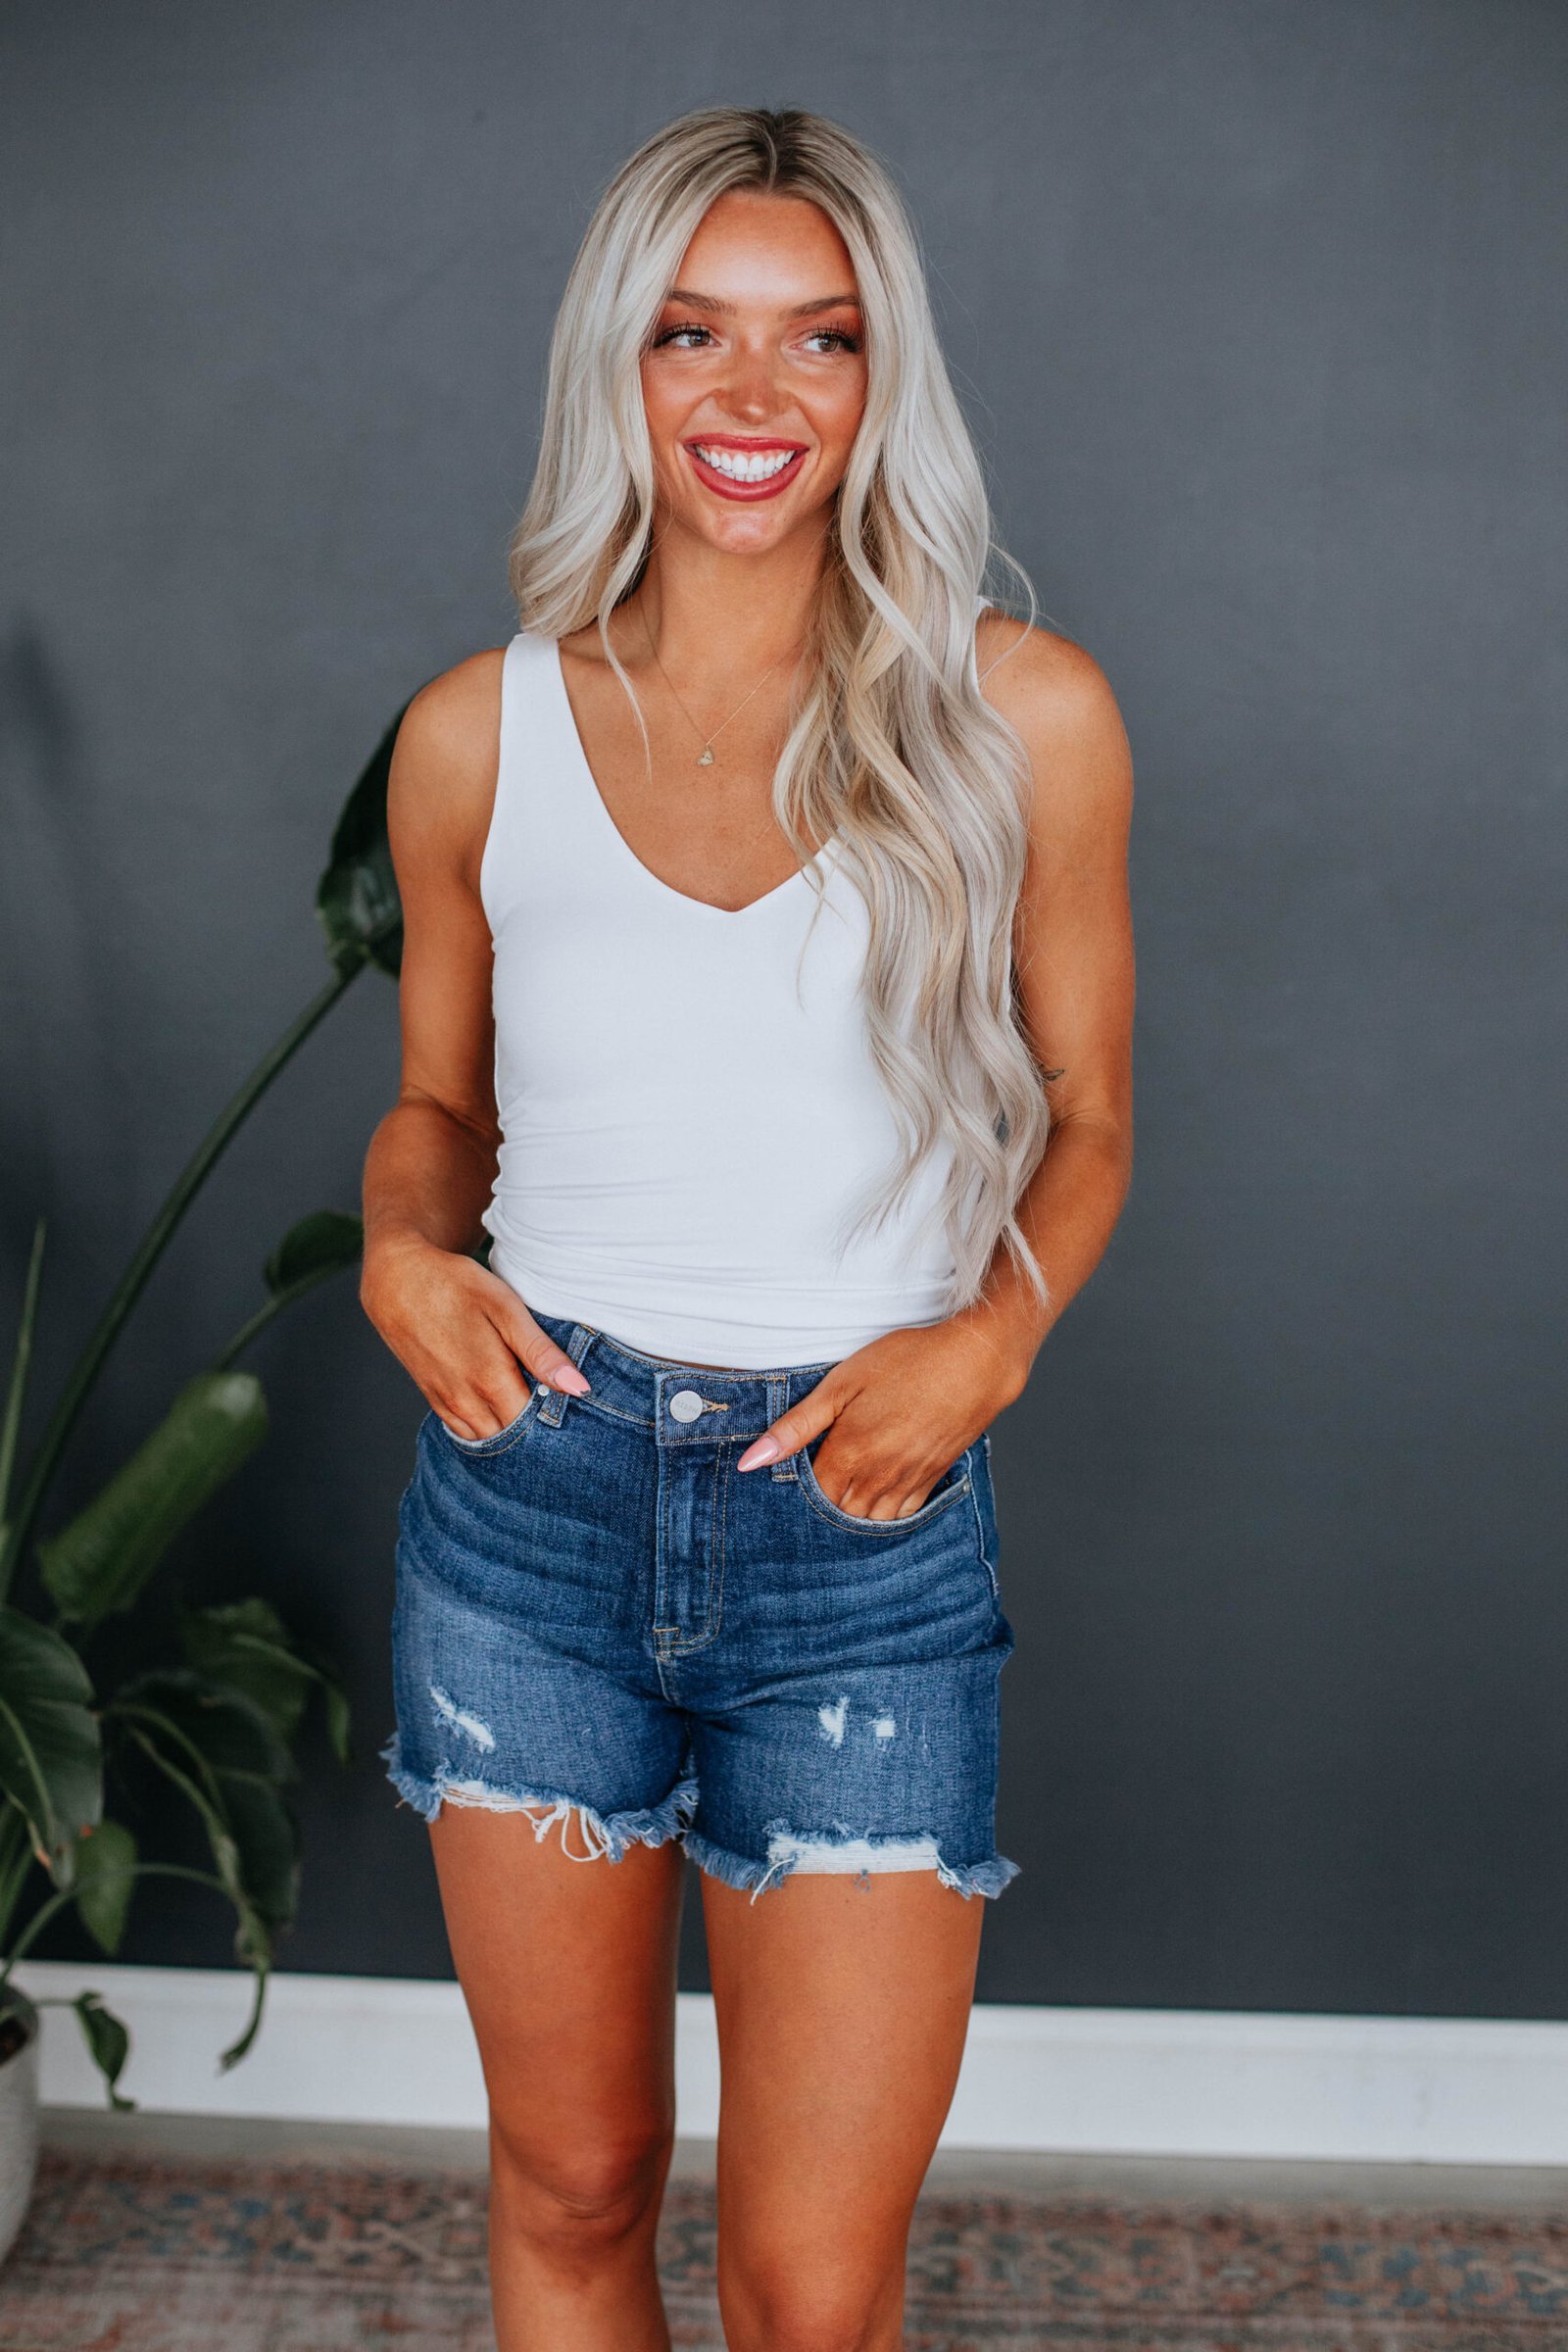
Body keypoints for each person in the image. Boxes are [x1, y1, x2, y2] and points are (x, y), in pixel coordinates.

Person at [362, 103, 1133, 2352]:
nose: (753, 393)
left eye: (821, 337)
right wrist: (404, 1252)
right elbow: (437, 1108)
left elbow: (1089, 1116)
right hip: (530, 1511)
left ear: (885, 378)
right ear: (614, 359)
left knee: (809, 2287)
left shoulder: (1021, 714)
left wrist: (988, 1341)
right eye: (691, 331)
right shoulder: (474, 734)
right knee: (574, 2183)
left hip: (859, 1534)